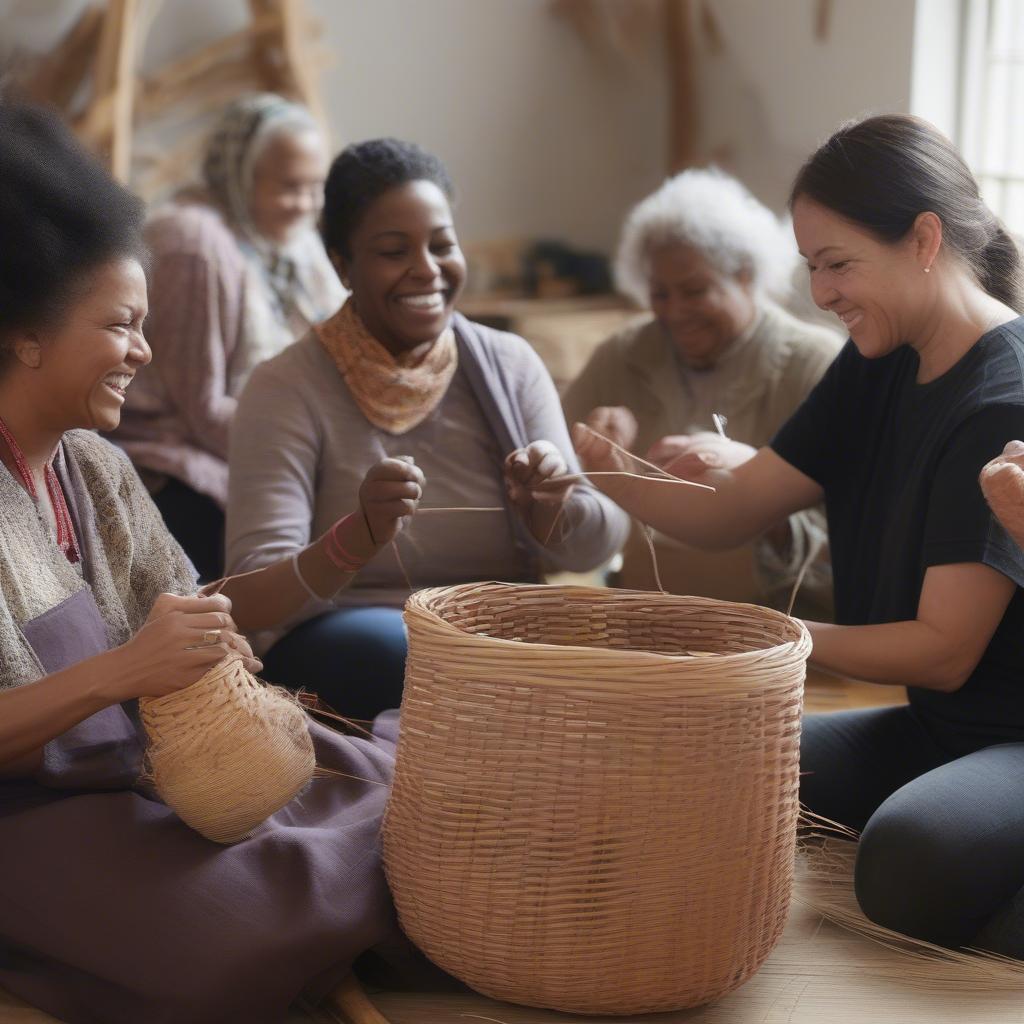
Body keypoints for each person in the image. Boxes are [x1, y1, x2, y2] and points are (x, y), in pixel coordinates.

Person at [0, 102, 423, 1024]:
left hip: (135, 777)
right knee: (230, 943)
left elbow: (190, 608)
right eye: (121, 325)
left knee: (403, 793)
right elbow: (130, 665)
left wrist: (344, 545)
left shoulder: (96, 467)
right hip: (24, 821)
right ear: (24, 333)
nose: (145, 352)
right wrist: (128, 670)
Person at [573, 114, 1024, 957]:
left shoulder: (1000, 399)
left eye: (838, 264)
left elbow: (943, 652)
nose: (821, 293)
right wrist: (596, 462)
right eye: (814, 267)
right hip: (934, 732)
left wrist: (761, 639)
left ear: (925, 239)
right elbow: (731, 507)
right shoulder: (879, 358)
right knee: (690, 763)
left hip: (1012, 741)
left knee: (905, 865)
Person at [226, 138, 630, 720]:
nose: (427, 269)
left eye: (442, 245)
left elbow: (603, 542)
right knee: (421, 653)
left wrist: (553, 509)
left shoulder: (508, 365)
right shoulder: (285, 387)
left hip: (501, 635)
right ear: (342, 265)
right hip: (352, 641)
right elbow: (250, 595)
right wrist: (354, 537)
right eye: (394, 251)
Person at [562, 169, 840, 612]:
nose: (675, 312)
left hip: (776, 639)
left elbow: (857, 539)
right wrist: (589, 454)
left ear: (746, 275)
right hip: (640, 623)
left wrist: (758, 503)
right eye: (660, 294)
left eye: (695, 291)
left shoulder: (818, 366)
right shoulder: (622, 355)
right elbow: (558, 479)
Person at [112, 93, 344, 581]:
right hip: (172, 457)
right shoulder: (194, 244)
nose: (306, 203)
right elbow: (202, 408)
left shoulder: (292, 243)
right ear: (239, 175)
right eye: (289, 186)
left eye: (315, 186)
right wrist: (312, 456)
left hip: (261, 436)